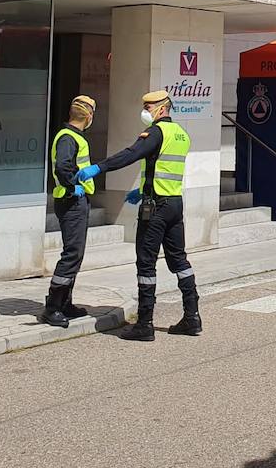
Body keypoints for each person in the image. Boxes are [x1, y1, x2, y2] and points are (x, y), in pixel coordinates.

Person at [74, 90, 199, 342]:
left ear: (162, 109)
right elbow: (163, 168)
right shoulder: (181, 134)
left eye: (149, 107)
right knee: (180, 262)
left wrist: (99, 167)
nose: (145, 111)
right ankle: (192, 317)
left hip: (156, 210)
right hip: (174, 204)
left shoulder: (156, 132)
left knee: (146, 264)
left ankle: (145, 323)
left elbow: (131, 154)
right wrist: (142, 189)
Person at [40, 94, 98, 328]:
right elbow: (64, 167)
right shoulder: (68, 137)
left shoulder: (72, 136)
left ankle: (65, 303)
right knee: (72, 253)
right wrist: (73, 187)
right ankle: (53, 307)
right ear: (89, 115)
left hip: (77, 201)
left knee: (76, 253)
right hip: (71, 201)